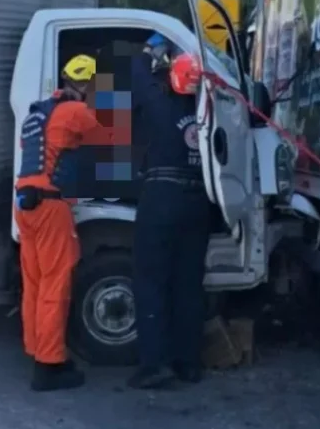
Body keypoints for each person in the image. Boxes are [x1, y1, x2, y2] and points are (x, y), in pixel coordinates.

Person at [126, 33, 213, 389]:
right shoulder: (209, 115)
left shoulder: (160, 105)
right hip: (199, 203)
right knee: (189, 285)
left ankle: (154, 364)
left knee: (151, 281)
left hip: (162, 196)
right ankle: (188, 363)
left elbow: (136, 74)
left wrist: (149, 51)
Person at [14, 54, 100, 392]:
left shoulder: (38, 111)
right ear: (86, 83)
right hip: (51, 207)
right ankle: (49, 366)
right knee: (55, 285)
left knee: (34, 285)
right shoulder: (75, 112)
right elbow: (107, 136)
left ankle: (37, 350)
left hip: (24, 203)